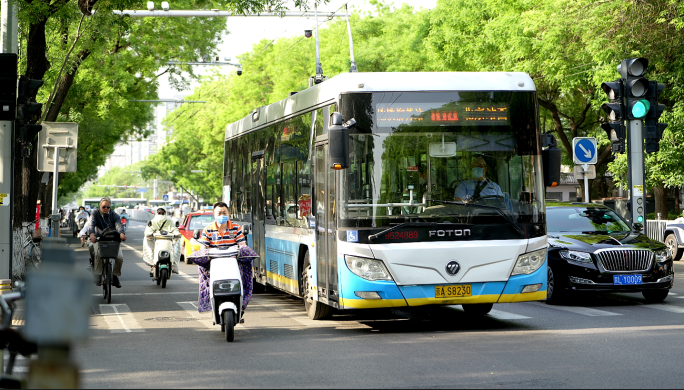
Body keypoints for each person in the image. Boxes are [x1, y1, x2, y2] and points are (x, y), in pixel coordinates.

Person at [194, 202, 250, 318]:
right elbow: (203, 248)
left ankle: (243, 301)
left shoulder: (236, 228)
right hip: (215, 263)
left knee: (247, 266)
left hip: (233, 262)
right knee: (202, 269)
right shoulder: (208, 230)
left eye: (224, 213)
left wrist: (243, 249)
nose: (222, 215)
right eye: (219, 213)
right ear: (214, 214)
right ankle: (207, 297)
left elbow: (242, 244)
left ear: (228, 213)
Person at [87, 197, 127, 288]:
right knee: (98, 255)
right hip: (99, 238)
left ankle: (115, 276)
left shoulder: (114, 215)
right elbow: (91, 224)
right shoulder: (95, 213)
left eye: (108, 207)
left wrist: (121, 234)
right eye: (104, 207)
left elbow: (119, 225)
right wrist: (92, 234)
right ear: (100, 206)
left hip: (112, 239)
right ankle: (98, 275)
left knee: (120, 258)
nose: (106, 209)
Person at [143, 208, 181, 275]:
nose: (161, 215)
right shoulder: (152, 222)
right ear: (156, 214)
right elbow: (148, 230)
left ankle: (174, 264)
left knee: (177, 242)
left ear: (165, 214)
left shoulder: (170, 222)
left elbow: (174, 229)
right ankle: (152, 264)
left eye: (162, 213)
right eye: (159, 213)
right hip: (155, 241)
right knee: (147, 241)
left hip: (168, 241)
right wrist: (149, 234)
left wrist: (177, 234)